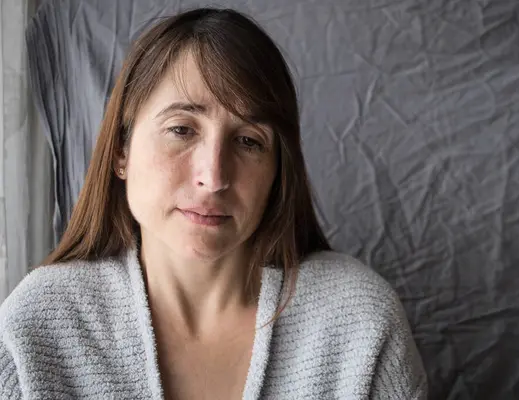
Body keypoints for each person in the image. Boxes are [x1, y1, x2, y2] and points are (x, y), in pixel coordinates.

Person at [0, 7, 427, 400]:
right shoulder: (36, 326)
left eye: (248, 141)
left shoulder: (362, 325)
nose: (214, 177)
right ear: (120, 151)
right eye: (182, 130)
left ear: (279, 171)